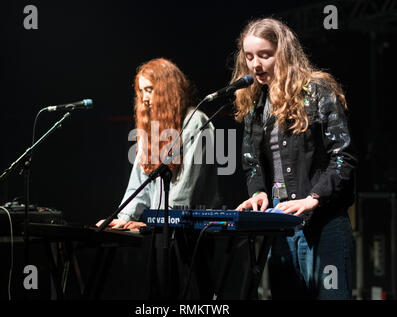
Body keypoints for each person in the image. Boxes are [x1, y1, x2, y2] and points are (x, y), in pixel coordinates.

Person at [233, 18, 357, 299]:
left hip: (323, 223)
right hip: (281, 225)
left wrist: (314, 197)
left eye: (265, 55)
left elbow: (344, 157)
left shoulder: (317, 91)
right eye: (250, 57)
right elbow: (251, 160)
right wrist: (258, 192)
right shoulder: (255, 102)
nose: (256, 65)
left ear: (284, 53)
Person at [96, 58, 220, 299]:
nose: (143, 98)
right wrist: (122, 218)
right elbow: (139, 183)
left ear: (167, 90)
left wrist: (152, 220)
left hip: (188, 234)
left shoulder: (196, 122)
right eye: (141, 91)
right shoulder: (151, 129)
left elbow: (185, 191)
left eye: (149, 90)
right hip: (160, 230)